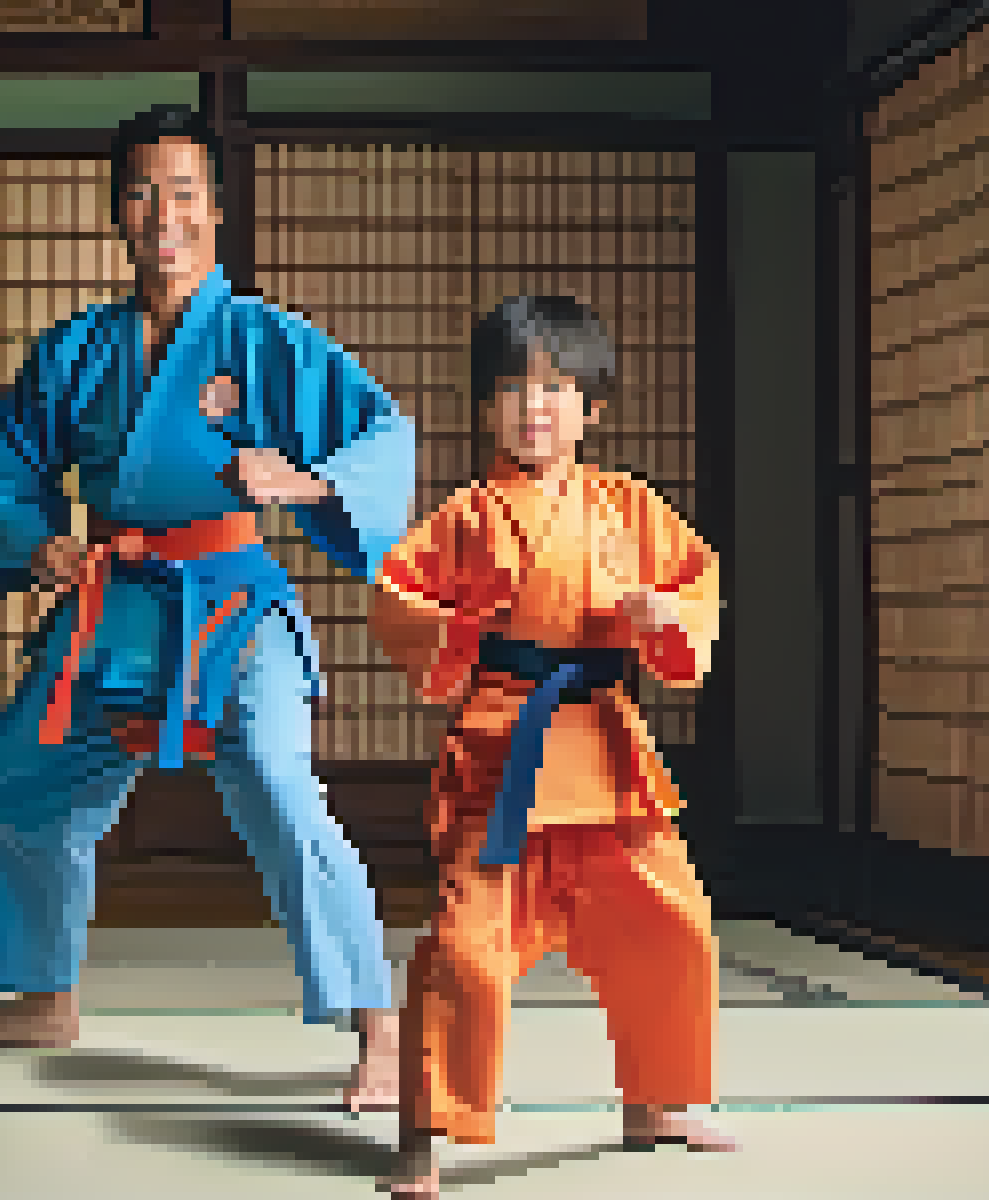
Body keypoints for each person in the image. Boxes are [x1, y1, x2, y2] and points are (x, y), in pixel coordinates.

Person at [0, 103, 412, 1110]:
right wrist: (38, 542)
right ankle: (44, 993)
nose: (165, 214)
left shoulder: (264, 340)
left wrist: (303, 482)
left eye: (184, 192)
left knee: (278, 780)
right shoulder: (75, 350)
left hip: (231, 605)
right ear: (119, 209)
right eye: (143, 192)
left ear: (217, 209)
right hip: (114, 608)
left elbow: (380, 435)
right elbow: (11, 473)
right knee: (9, 785)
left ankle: (380, 1021)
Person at [367, 296, 738, 1196]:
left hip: (606, 750)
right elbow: (397, 597)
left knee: (674, 922)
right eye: (512, 388)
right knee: (466, 945)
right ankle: (425, 1126)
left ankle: (658, 1099)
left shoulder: (630, 507)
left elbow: (698, 586)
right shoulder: (468, 514)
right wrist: (463, 627)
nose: (533, 407)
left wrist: (663, 613)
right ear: (485, 407)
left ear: (592, 406)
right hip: (507, 749)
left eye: (556, 387)